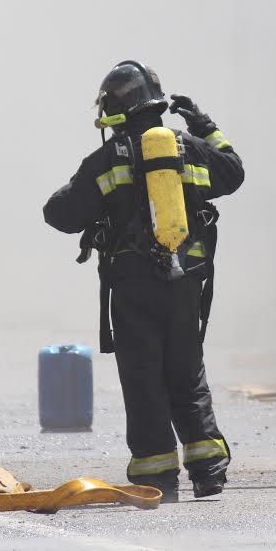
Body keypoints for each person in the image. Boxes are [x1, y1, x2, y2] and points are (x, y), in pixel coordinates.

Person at [43, 60, 244, 502]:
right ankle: (209, 471)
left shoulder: (106, 159)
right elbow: (233, 171)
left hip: (133, 285)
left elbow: (60, 213)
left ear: (116, 110)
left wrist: (76, 190)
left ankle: (158, 476)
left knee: (143, 377)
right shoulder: (187, 147)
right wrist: (204, 125)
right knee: (188, 375)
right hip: (186, 280)